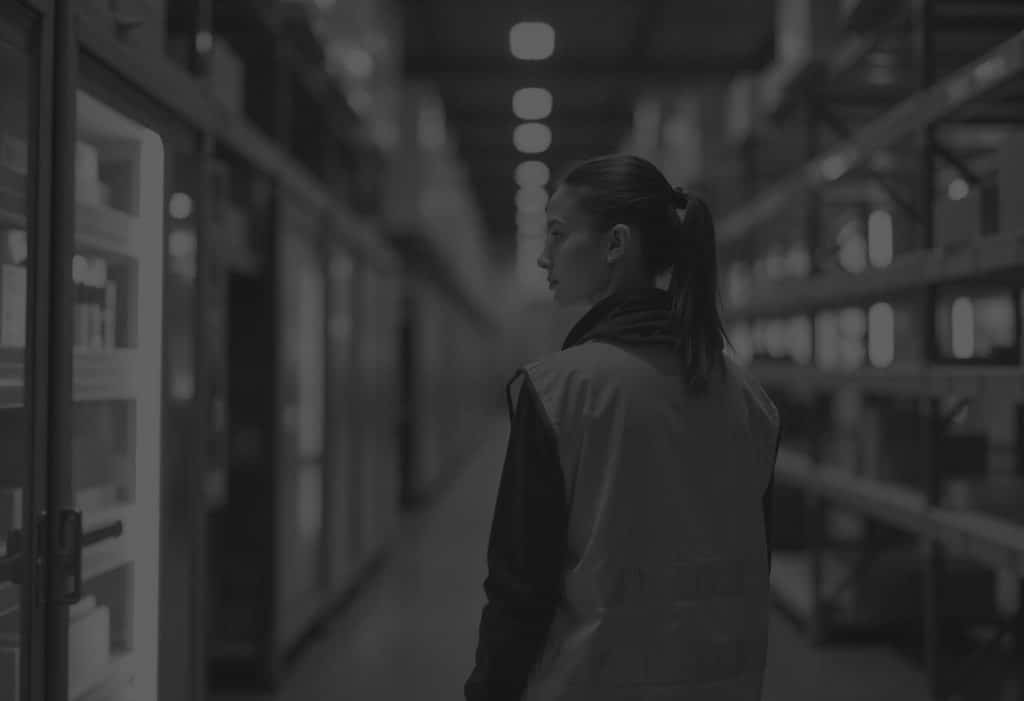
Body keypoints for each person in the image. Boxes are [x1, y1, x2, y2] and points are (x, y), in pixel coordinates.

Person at [465, 154, 780, 701]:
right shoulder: (749, 399)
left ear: (615, 244)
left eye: (559, 235)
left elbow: (519, 595)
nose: (544, 257)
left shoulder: (559, 393)